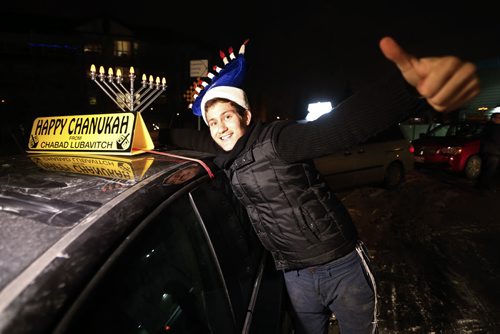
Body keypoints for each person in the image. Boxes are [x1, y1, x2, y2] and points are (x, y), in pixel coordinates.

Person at [162, 36, 480, 334]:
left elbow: (340, 127)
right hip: (294, 275)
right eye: (213, 122)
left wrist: (409, 90)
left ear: (245, 115)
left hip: (340, 265)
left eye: (227, 117)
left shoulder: (280, 141)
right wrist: (152, 133)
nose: (220, 128)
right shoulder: (224, 156)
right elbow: (189, 138)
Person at [477, 111, 500, 191]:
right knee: (489, 170)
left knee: (484, 169)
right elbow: (496, 140)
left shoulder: (487, 126)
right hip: (492, 152)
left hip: (487, 151)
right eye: (499, 118)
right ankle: (483, 186)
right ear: (493, 119)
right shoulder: (494, 127)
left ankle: (480, 185)